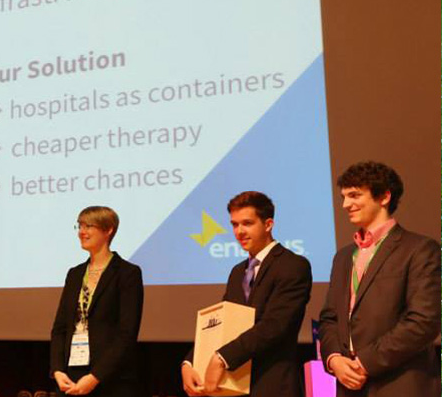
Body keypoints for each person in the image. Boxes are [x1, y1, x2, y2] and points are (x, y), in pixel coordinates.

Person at [318, 161, 441, 396]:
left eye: (354, 195)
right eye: (343, 197)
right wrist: (334, 359)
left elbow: (424, 321)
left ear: (384, 196)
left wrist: (365, 362)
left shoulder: (420, 249)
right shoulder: (343, 256)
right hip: (349, 386)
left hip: (400, 384)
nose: (345, 204)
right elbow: (329, 318)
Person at [180, 191, 312, 396]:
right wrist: (190, 362)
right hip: (235, 386)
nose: (239, 231)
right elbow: (221, 324)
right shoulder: (237, 272)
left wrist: (223, 357)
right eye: (234, 224)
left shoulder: (293, 265)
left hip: (272, 385)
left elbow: (275, 325)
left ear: (268, 224)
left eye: (247, 223)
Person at [50, 206, 144, 396]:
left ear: (108, 230)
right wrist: (58, 370)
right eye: (80, 226)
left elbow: (127, 333)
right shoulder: (75, 274)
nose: (81, 232)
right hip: (71, 375)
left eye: (88, 226)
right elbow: (60, 328)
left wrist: (95, 377)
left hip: (110, 379)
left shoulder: (127, 273)